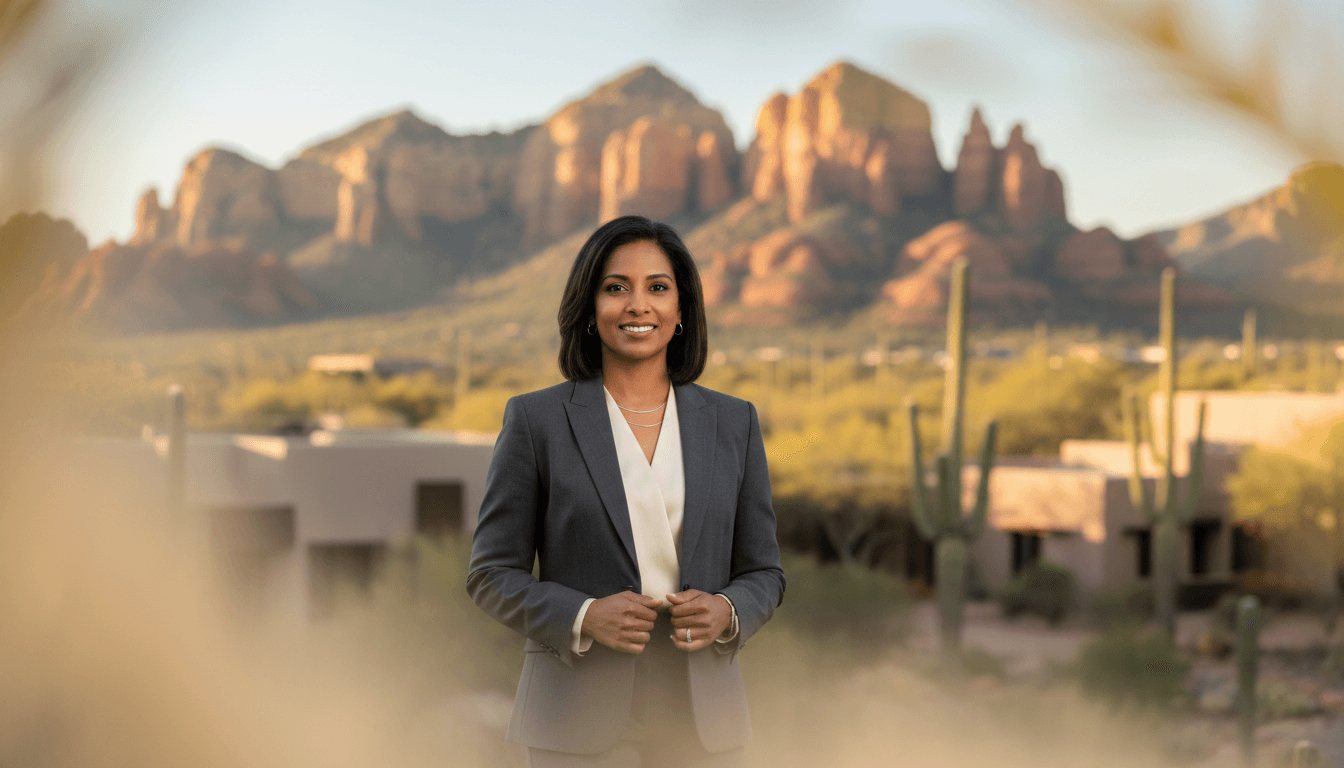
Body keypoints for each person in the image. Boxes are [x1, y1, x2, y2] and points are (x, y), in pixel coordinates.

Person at [467, 215, 785, 768]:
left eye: (657, 288)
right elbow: (490, 574)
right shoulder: (537, 421)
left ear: (682, 311)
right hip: (574, 713)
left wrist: (728, 609)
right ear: (590, 308)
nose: (639, 305)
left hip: (703, 720)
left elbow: (765, 573)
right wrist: (583, 614)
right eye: (616, 288)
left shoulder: (734, 422)